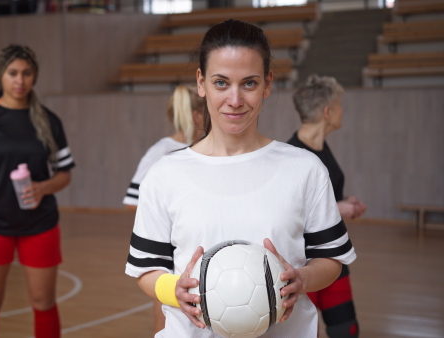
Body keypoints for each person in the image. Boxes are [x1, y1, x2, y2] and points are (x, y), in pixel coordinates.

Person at [125, 19, 357, 337]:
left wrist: (302, 279)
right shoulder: (165, 174)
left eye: (249, 83)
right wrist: (173, 289)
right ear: (201, 83)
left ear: (267, 84)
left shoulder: (305, 169)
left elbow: (331, 259)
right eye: (221, 83)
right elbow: (146, 270)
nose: (235, 100)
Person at [0, 45, 75, 338]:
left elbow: (64, 175)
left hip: (40, 225)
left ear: (34, 76)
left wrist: (42, 187)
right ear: (1, 76)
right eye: (13, 73)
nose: (19, 80)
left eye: (26, 73)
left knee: (43, 302)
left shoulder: (49, 120)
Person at [288, 74, 366, 338]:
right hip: (302, 263)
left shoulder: (322, 146)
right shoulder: (291, 156)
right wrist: (339, 208)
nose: (342, 111)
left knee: (346, 329)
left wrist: (344, 204)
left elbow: (325, 194)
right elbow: (289, 209)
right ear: (327, 111)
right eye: (339, 105)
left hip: (334, 256)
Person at [123, 84, 205, 332]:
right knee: (167, 315)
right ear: (198, 115)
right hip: (169, 257)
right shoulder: (161, 152)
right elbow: (132, 201)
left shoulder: (208, 150)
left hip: (198, 249)